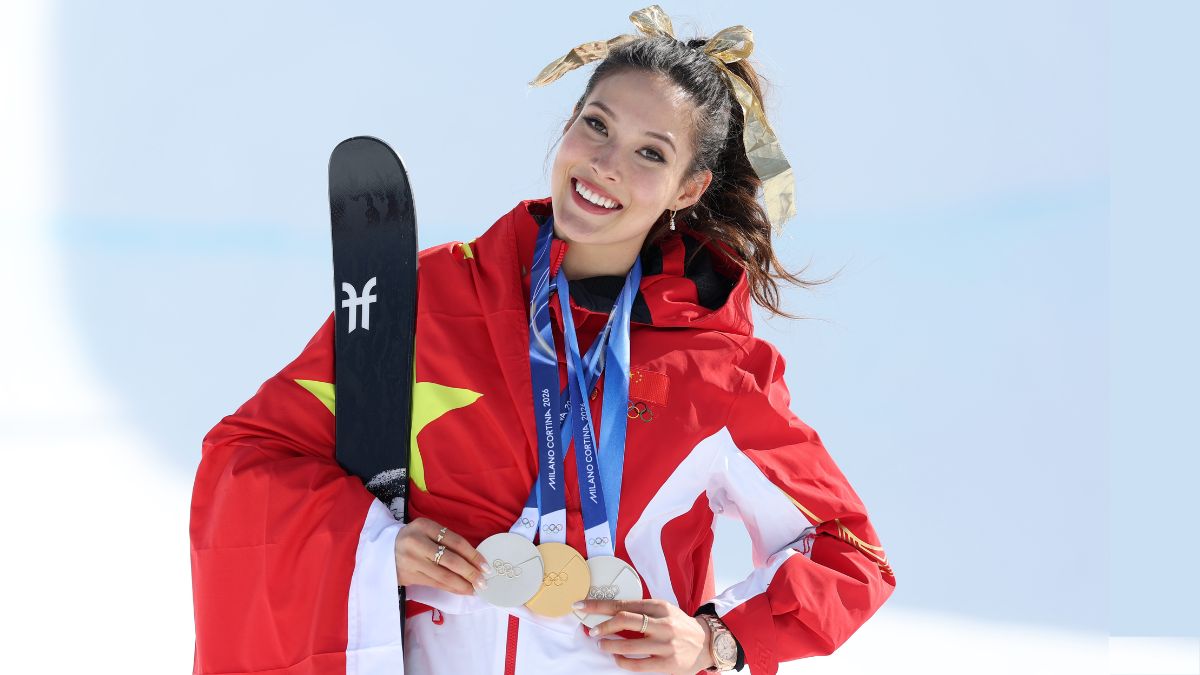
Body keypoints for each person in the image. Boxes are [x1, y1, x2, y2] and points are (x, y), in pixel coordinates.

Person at [190, 6, 895, 675]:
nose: (606, 164)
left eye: (651, 152)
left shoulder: (713, 369)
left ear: (689, 187)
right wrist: (375, 547)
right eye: (596, 125)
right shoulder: (432, 300)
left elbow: (849, 554)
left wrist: (716, 636)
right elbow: (248, 460)